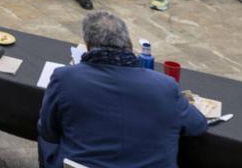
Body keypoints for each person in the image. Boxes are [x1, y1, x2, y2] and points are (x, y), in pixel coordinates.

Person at [37, 11, 207, 168]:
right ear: (129, 44)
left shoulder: (65, 78)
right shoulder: (165, 86)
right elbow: (198, 125)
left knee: (47, 141)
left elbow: (48, 130)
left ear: (88, 46)